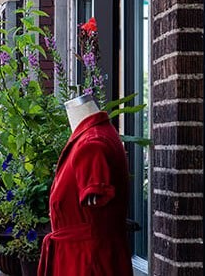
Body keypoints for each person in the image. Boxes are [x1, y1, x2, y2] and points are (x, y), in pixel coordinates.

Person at [38, 94, 132, 276]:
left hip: (86, 262)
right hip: (92, 256)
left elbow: (96, 195)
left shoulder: (92, 144)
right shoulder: (100, 134)